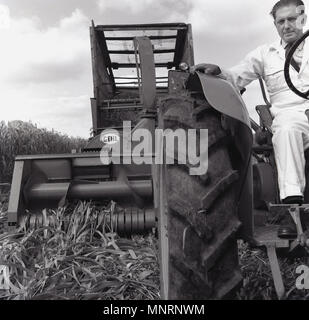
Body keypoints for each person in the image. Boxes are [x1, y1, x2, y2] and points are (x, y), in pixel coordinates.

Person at [191, 0, 309, 238]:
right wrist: (219, 71)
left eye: (292, 19)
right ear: (275, 25)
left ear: (303, 18)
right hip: (292, 115)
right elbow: (236, 75)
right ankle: (292, 211)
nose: (286, 26)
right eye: (280, 21)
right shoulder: (265, 54)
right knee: (286, 130)